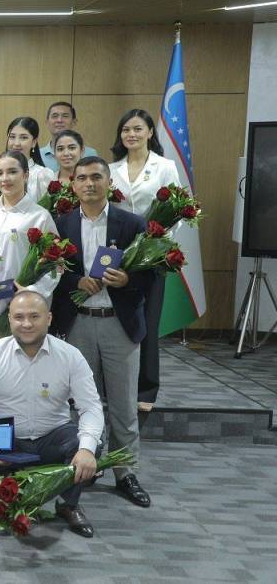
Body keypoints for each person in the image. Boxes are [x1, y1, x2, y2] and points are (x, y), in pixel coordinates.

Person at [51, 156, 154, 509]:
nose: (89, 183)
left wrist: (127, 279)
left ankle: (125, 472)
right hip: (78, 323)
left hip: (118, 324)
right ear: (73, 185)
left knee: (123, 404)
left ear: (109, 182)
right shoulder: (62, 223)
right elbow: (53, 270)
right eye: (82, 178)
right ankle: (88, 462)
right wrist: (75, 281)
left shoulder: (132, 223)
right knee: (84, 401)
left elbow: (152, 273)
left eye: (96, 177)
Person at [0, 291, 104, 538]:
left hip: (53, 436)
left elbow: (91, 407)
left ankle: (68, 504)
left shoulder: (70, 356)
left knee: (89, 447)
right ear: (9, 319)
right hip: (8, 441)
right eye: (19, 317)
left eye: (34, 316)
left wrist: (86, 449)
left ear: (48, 318)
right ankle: (12, 497)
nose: (26, 324)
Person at [108, 109, 182, 410]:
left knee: (148, 320)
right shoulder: (111, 169)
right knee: (115, 321)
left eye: (138, 129)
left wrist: (155, 242)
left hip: (151, 254)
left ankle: (146, 390)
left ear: (150, 132)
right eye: (126, 129)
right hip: (117, 252)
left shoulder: (165, 167)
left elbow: (178, 208)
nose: (132, 134)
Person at [0, 151, 59, 343]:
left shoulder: (40, 216)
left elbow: (55, 264)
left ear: (26, 175)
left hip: (28, 310)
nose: (5, 178)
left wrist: (32, 290)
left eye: (12, 172)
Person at [6, 116, 55, 202]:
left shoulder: (42, 175)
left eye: (23, 138)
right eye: (12, 137)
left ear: (34, 142)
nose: (16, 143)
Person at [39, 101, 99, 171]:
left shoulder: (90, 153)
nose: (59, 120)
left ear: (74, 122)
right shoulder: (38, 155)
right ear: (47, 123)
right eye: (55, 116)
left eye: (65, 116)